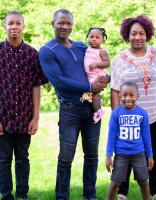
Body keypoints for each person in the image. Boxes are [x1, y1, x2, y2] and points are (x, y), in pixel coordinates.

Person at [39, 9, 108, 200]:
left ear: (72, 25)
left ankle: (90, 194)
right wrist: (90, 86)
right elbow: (59, 81)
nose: (64, 27)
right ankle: (62, 196)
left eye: (68, 23)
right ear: (52, 24)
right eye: (61, 23)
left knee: (92, 155)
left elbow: (98, 63)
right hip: (70, 110)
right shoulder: (47, 51)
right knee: (66, 158)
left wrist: (105, 78)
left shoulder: (80, 47)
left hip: (92, 108)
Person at [110, 15, 156, 200]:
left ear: (147, 34)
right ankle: (122, 192)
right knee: (125, 153)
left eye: (141, 33)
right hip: (129, 117)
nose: (137, 37)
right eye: (133, 33)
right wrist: (117, 116)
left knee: (154, 154)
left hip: (155, 115)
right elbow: (115, 90)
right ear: (127, 35)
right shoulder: (120, 59)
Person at [0, 11, 48, 200]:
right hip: (3, 117)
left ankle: (22, 194)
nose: (14, 27)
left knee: (22, 158)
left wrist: (35, 117)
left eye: (18, 23)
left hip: (24, 116)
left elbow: (36, 86)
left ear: (23, 27)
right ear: (4, 26)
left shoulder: (31, 54)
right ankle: (6, 194)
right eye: (10, 23)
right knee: (3, 159)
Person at [106, 81, 154, 200]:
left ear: (137, 96)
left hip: (139, 154)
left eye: (131, 95)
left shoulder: (142, 114)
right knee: (115, 182)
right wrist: (108, 155)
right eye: (124, 95)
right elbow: (111, 135)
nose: (128, 98)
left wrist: (150, 155)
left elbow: (146, 136)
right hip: (121, 154)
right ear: (120, 96)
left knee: (143, 181)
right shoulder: (116, 113)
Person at [81, 27, 110, 123]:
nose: (94, 39)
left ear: (102, 40)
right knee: (91, 94)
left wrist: (96, 64)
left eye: (97, 37)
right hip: (90, 76)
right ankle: (96, 105)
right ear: (87, 38)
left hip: (97, 75)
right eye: (91, 37)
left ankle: (98, 111)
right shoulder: (87, 49)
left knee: (93, 94)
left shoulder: (102, 51)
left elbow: (107, 63)